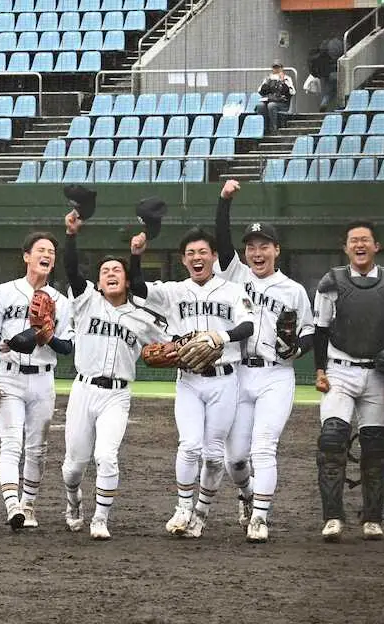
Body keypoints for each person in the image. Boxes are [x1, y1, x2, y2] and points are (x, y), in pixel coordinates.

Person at [128, 210, 256, 541]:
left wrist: (220, 337)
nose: (196, 258)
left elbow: (248, 325)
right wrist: (136, 256)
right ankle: (184, 508)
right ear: (184, 260)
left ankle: (202, 512)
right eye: (190, 254)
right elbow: (138, 289)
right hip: (188, 380)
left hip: (225, 379)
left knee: (214, 456)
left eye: (202, 252)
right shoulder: (175, 291)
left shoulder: (231, 290)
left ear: (214, 256)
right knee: (189, 446)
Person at [59, 210, 174, 540]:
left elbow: (171, 346)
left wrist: (183, 350)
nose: (110, 274)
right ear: (97, 282)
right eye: (105, 271)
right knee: (73, 467)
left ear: (126, 280)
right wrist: (70, 235)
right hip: (83, 392)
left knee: (106, 457)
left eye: (117, 270)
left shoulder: (142, 318)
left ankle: (100, 518)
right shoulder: (86, 303)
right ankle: (74, 502)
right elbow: (71, 268)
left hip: (117, 395)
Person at [214, 179, 315, 543]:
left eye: (264, 246)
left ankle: (260, 516)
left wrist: (299, 350)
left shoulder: (293, 290)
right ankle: (245, 494)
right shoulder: (236, 276)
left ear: (277, 250)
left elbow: (309, 330)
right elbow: (222, 242)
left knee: (263, 447)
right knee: (235, 459)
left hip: (277, 375)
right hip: (238, 374)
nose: (257, 252)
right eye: (251, 247)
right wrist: (224, 202)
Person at [312, 220, 384, 542]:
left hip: (377, 373)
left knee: (375, 444)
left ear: (376, 246)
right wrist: (319, 370)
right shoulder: (332, 282)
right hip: (340, 368)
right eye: (354, 240)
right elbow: (320, 329)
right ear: (346, 248)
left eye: (365, 240)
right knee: (332, 439)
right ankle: (332, 518)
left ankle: (372, 518)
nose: (360, 245)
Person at [0, 233, 74, 530]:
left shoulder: (61, 301)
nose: (47, 255)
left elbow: (68, 347)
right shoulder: (4, 292)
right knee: (11, 444)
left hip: (43, 381)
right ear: (26, 256)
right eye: (41, 250)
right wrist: (2, 344)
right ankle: (12, 505)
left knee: (38, 448)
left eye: (51, 251)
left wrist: (48, 337)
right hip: (9, 378)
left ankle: (29, 504)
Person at [255, 61, 294, 134]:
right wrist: (267, 83)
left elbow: (291, 92)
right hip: (270, 100)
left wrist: (282, 81)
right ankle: (264, 129)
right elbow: (260, 91)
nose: (276, 69)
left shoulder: (287, 78)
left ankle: (273, 128)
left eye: (278, 68)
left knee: (271, 105)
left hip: (282, 103)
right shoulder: (268, 78)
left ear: (282, 68)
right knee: (260, 106)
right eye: (274, 68)